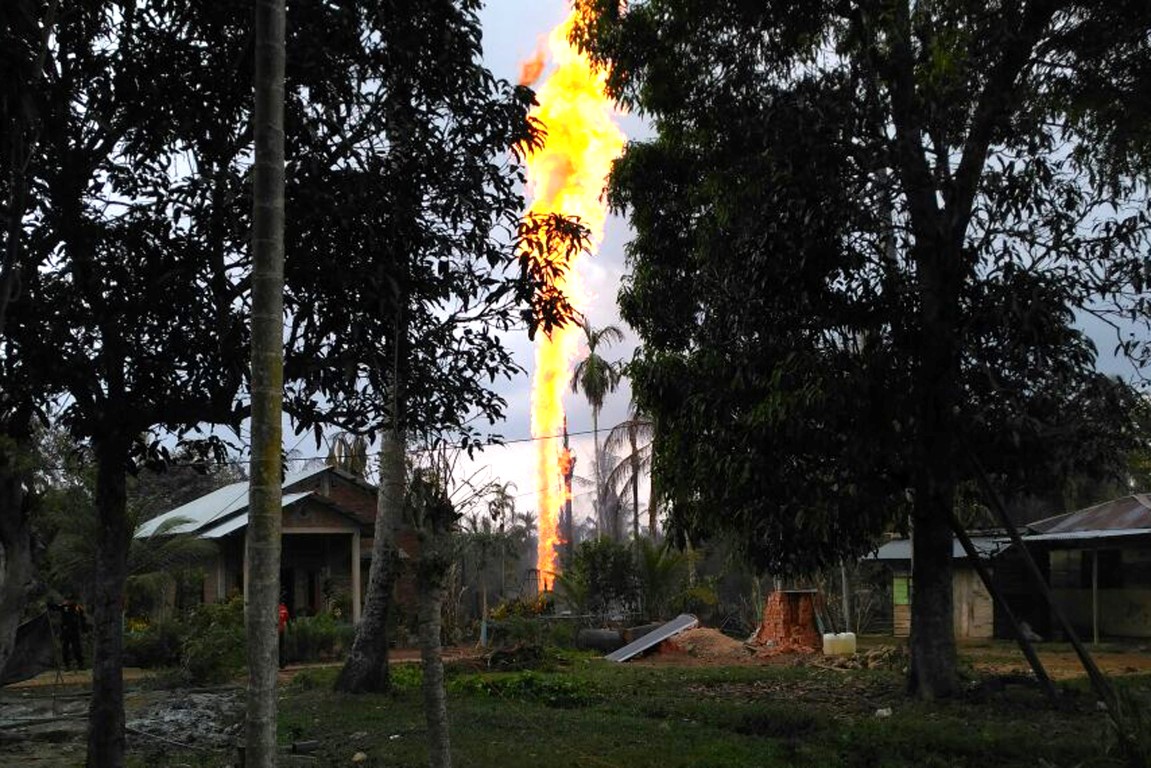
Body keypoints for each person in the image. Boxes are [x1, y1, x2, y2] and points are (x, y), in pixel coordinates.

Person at [49, 599, 89, 670]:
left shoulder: (77, 607)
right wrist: (49, 604)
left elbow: (82, 618)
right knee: (65, 649)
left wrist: (84, 628)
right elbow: (55, 607)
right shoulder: (64, 607)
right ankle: (67, 665)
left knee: (77, 648)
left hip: (74, 630)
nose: (67, 602)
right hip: (65, 630)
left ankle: (80, 664)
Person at [278, 600, 290, 668]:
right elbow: (287, 619)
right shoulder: (284, 609)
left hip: (275, 631)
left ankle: (277, 662)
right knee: (281, 647)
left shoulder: (274, 609)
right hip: (282, 630)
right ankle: (282, 663)